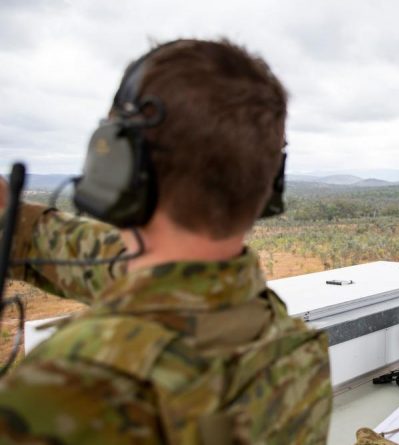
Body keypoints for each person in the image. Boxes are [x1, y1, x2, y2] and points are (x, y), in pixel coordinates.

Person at [0, 39, 332, 444]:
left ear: (117, 164)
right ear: (269, 182)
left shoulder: (70, 384)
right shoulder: (289, 345)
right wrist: (13, 221)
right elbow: (130, 271)